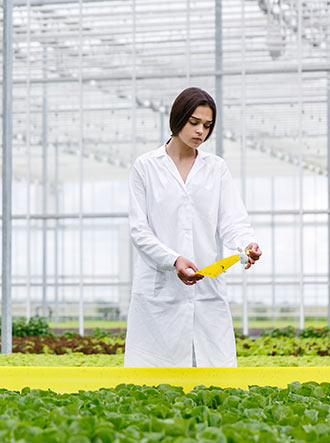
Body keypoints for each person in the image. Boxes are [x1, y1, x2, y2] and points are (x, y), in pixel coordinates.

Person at [124, 87, 262, 368]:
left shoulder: (216, 168)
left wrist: (247, 243)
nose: (201, 131)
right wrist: (173, 259)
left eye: (208, 126)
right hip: (159, 290)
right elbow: (139, 230)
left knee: (214, 377)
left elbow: (233, 220)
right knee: (153, 380)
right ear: (178, 119)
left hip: (205, 289)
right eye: (194, 123)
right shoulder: (146, 167)